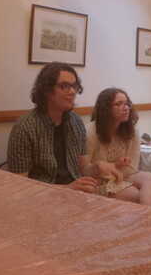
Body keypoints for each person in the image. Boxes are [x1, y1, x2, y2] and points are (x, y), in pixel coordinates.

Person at [7, 62, 98, 193]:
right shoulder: (25, 127)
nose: (72, 91)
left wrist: (97, 168)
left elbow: (83, 168)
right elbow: (20, 185)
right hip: (41, 197)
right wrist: (67, 188)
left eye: (74, 86)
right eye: (64, 86)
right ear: (47, 91)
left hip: (76, 193)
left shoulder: (76, 121)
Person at [83, 88, 151, 207]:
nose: (125, 108)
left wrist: (115, 168)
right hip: (99, 181)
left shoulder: (132, 131)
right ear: (106, 109)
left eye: (127, 103)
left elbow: (132, 167)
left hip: (123, 175)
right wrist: (115, 166)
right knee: (137, 195)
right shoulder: (90, 131)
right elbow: (85, 170)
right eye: (118, 104)